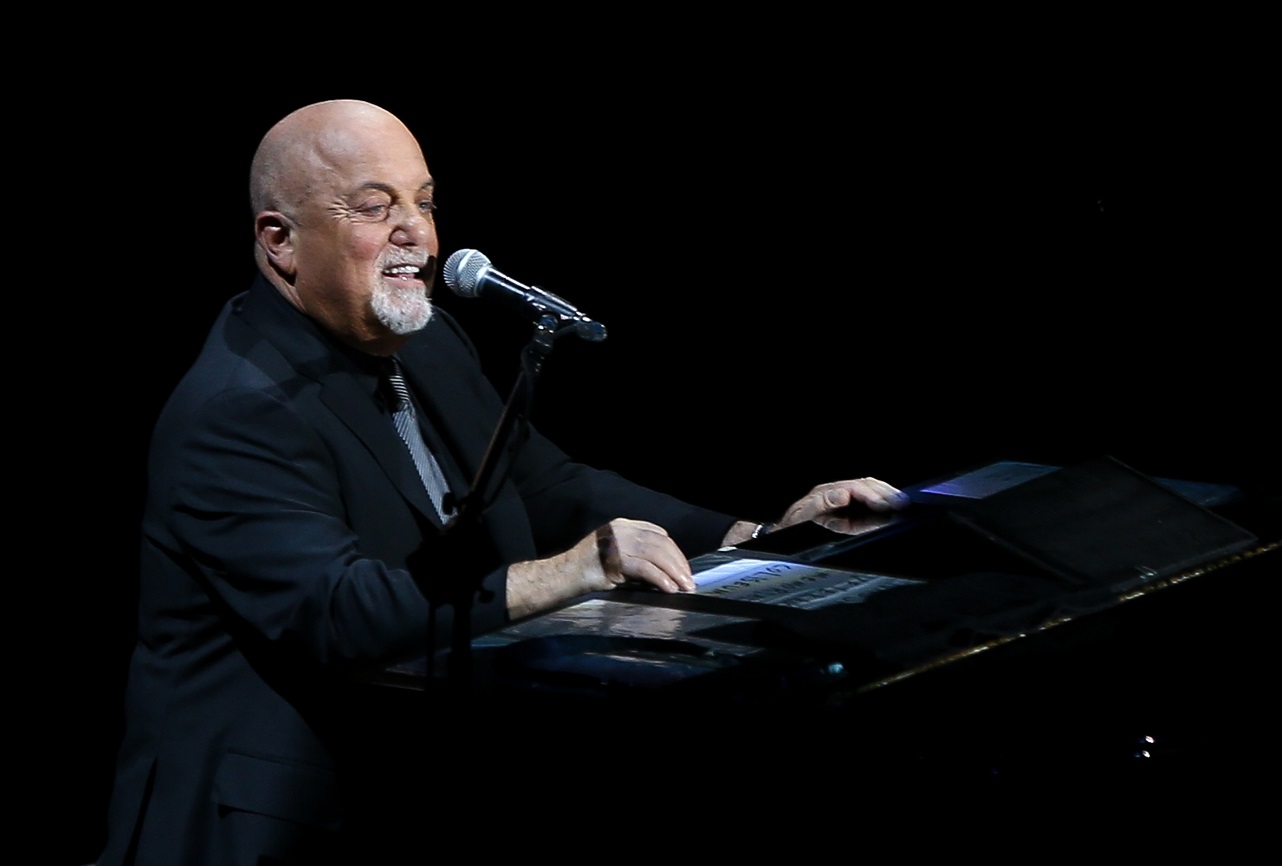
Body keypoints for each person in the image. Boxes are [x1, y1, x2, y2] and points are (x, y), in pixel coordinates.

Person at [98, 98, 910, 865]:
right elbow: (338, 612)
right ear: (280, 240)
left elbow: (551, 488)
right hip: (277, 819)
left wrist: (755, 539)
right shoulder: (237, 409)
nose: (416, 232)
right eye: (375, 207)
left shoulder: (429, 342)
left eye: (424, 202)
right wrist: (570, 571)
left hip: (427, 773)